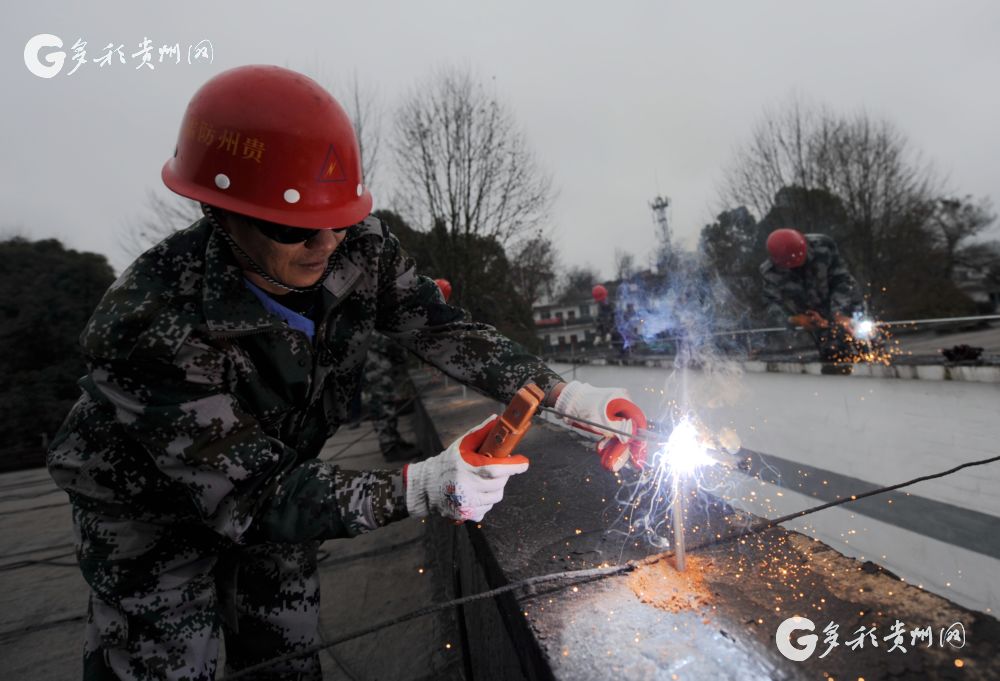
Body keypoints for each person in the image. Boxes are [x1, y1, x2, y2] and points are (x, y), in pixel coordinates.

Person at [46, 65, 646, 681]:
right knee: (166, 660)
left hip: (284, 479)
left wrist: (566, 396)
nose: (326, 243)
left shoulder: (358, 248)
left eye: (337, 216)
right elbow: (250, 495)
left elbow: (439, 328)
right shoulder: (149, 322)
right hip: (152, 516)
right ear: (221, 214)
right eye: (296, 227)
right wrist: (419, 486)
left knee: (286, 650)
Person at [760, 228, 866, 362]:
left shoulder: (823, 246)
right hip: (814, 316)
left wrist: (839, 312)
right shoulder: (770, 273)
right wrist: (794, 319)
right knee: (833, 353)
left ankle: (873, 349)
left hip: (846, 303)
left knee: (865, 337)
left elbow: (842, 281)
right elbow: (771, 305)